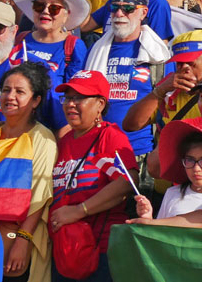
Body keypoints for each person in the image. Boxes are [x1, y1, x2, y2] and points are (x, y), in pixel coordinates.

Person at [49, 70, 137, 282]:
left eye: (79, 98)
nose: (71, 104)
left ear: (100, 104)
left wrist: (80, 211)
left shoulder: (109, 136)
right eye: (68, 98)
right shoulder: (63, 141)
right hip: (64, 251)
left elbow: (126, 182)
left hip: (101, 252)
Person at [83, 0, 174, 161]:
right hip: (97, 149)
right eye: (114, 8)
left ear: (143, 12)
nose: (119, 14)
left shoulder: (158, 56)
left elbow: (169, 105)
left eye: (128, 9)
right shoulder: (96, 49)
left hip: (139, 151)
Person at [0, 62, 57, 282]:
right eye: (6, 90)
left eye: (19, 91)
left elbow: (40, 196)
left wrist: (23, 240)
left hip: (16, 237)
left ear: (35, 101)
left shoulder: (43, 138)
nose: (10, 96)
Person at [10, 0, 89, 130]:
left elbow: (75, 94)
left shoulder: (74, 46)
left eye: (54, 8)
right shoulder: (21, 39)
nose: (45, 11)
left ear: (66, 15)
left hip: (55, 127)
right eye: (39, 6)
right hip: (19, 123)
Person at [121, 29, 202, 140]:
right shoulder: (169, 93)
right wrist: (159, 91)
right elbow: (130, 125)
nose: (185, 68)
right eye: (180, 63)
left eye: (191, 62)